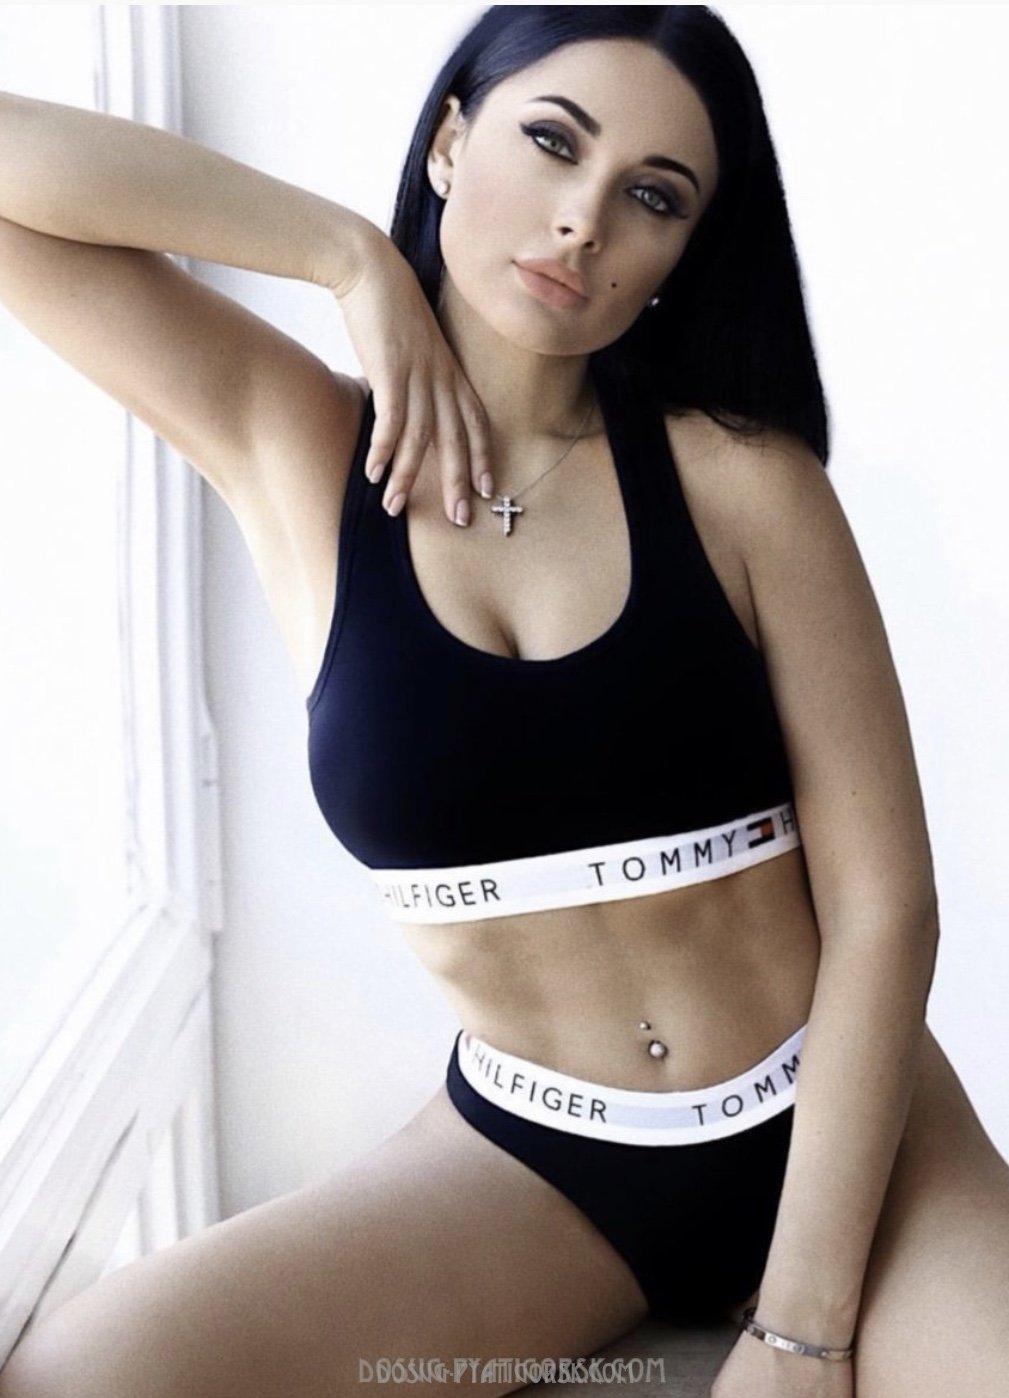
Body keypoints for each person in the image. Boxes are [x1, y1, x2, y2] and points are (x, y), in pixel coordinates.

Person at [1, 6, 1008, 1397]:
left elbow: (889, 903)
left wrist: (799, 1332)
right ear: (447, 141)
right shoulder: (293, 446)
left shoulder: (742, 481)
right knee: (89, 1375)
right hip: (539, 1164)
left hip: (848, 1127)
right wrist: (343, 254)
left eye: (653, 196)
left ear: (684, 251)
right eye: (550, 142)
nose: (583, 220)